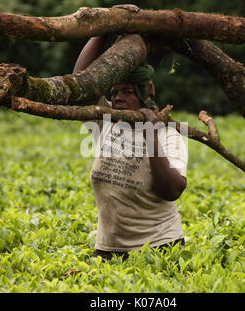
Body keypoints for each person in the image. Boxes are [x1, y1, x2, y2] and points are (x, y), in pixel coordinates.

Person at [73, 35, 188, 261]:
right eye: (114, 93)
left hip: (159, 248)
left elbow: (172, 190)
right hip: (107, 250)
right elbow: (80, 86)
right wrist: (101, 32)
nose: (118, 99)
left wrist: (149, 133)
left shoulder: (168, 135)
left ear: (146, 95)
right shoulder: (106, 122)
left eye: (128, 92)